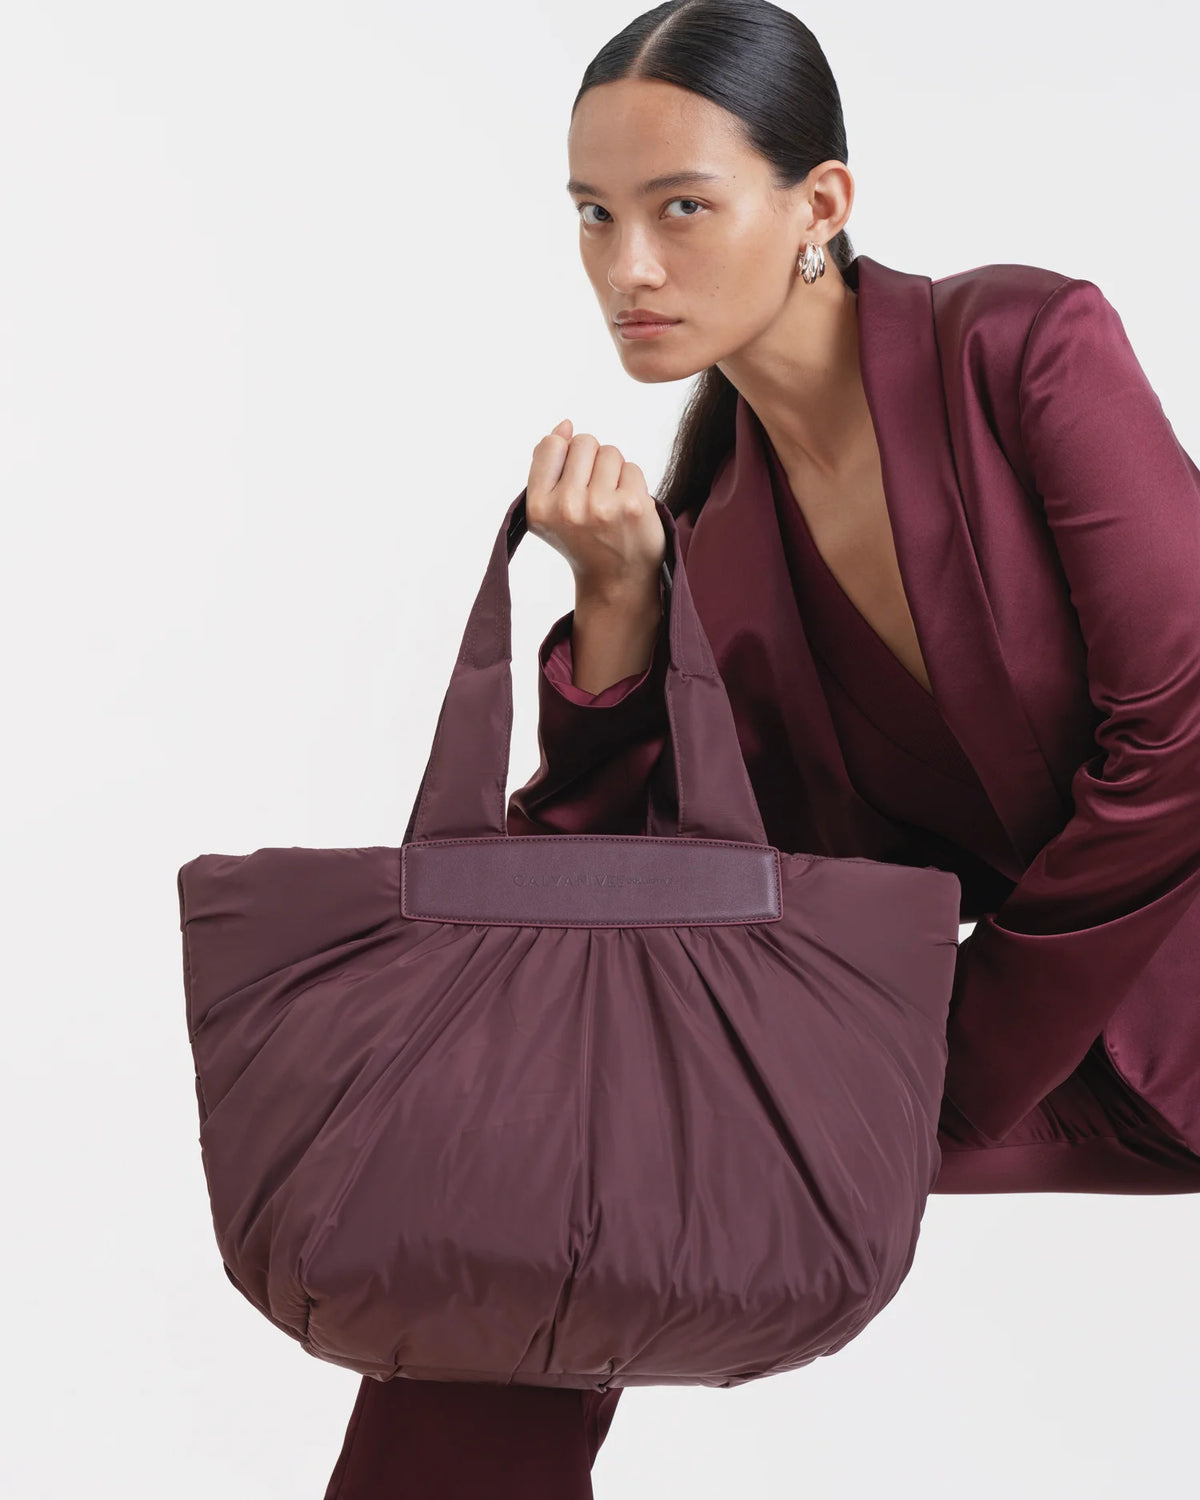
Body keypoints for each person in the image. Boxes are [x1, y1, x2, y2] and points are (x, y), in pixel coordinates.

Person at [324, 1, 1200, 1494]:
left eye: (681, 208)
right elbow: (616, 917)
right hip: (1039, 1056)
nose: (628, 268)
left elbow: (1183, 734)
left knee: (595, 1141)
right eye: (594, 215)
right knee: (557, 1157)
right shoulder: (712, 540)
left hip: (1065, 1026)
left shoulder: (1021, 350)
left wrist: (952, 1062)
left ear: (821, 205)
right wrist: (617, 605)